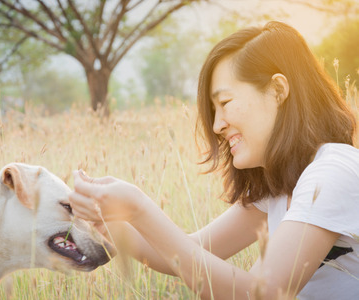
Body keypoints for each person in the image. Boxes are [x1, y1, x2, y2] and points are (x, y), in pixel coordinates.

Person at [68, 21, 359, 299]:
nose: (218, 125)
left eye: (225, 103)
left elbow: (259, 294)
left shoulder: (330, 172)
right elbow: (192, 250)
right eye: (213, 109)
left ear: (278, 90)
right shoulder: (282, 186)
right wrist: (114, 219)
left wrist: (138, 206)